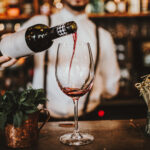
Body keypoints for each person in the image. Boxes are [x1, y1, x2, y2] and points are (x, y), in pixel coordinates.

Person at [0, 0, 120, 119]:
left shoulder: (104, 36)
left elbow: (112, 86)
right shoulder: (39, 23)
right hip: (43, 118)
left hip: (88, 119)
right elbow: (12, 57)